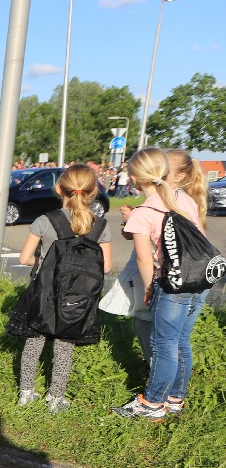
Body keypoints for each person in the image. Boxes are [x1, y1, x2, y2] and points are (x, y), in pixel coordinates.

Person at [112, 148, 211, 420]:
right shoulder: (182, 198)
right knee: (180, 341)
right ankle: (175, 399)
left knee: (163, 345)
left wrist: (148, 288)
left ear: (134, 178)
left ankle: (153, 403)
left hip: (172, 284)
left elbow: (145, 260)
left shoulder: (144, 212)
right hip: (199, 280)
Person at [15, 165, 113, 413]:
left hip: (43, 292)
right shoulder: (101, 225)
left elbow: (25, 258)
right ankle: (56, 399)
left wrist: (45, 262)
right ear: (92, 192)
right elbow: (107, 266)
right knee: (64, 347)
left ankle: (26, 394)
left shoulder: (45, 221)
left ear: (59, 189)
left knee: (34, 342)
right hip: (78, 297)